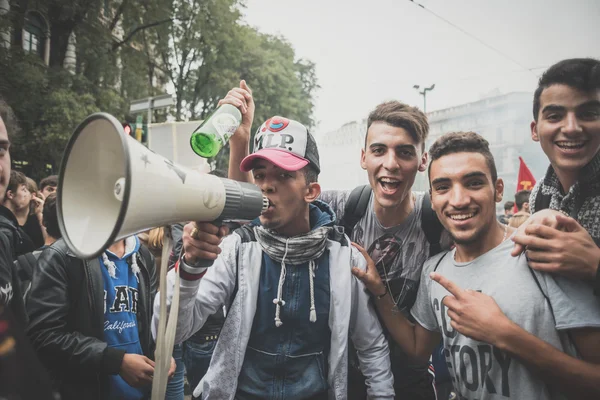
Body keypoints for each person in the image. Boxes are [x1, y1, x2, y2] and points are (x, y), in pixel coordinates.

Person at [228, 83, 446, 399]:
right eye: (379, 150)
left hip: (412, 380)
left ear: (422, 161)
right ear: (363, 157)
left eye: (405, 152)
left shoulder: (436, 220)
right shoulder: (342, 207)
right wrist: (240, 141)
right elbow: (257, 207)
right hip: (342, 376)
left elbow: (490, 240)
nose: (391, 163)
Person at [155, 114, 394, 399]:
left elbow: (371, 347)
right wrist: (190, 269)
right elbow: (170, 332)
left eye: (283, 175)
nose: (267, 186)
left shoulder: (344, 258)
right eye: (260, 176)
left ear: (311, 191)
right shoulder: (236, 249)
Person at [354, 131, 600, 400]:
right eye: (443, 187)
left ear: (498, 190)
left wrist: (504, 334)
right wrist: (379, 290)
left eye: (473, 183)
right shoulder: (434, 272)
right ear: (433, 198)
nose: (458, 200)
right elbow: (417, 349)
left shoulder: (543, 252)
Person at [26, 235, 175, 400]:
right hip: (87, 390)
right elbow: (43, 335)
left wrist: (160, 354)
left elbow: (145, 325)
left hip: (139, 392)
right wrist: (115, 362)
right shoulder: (63, 255)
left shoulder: (142, 255)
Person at [0, 170, 37, 259]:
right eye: (23, 189)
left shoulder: (9, 224)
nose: (26, 194)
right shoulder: (6, 230)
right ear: (10, 194)